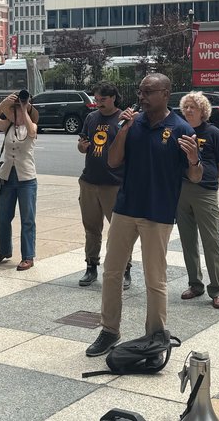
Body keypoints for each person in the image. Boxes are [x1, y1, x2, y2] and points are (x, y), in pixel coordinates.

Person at [86, 73, 201, 357]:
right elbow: (113, 160)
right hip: (125, 208)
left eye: (148, 92)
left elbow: (196, 177)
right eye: (140, 91)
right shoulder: (132, 123)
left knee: (155, 278)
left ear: (165, 94)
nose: (142, 97)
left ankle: (155, 335)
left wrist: (193, 159)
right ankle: (109, 330)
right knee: (112, 271)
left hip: (157, 213)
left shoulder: (181, 128)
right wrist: (124, 128)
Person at [175, 92, 219, 309]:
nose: (189, 110)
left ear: (203, 111)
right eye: (186, 107)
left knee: (211, 242)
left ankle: (217, 289)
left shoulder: (212, 133)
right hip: (182, 191)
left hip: (205, 192)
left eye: (194, 107)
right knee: (187, 241)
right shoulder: (180, 131)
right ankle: (195, 284)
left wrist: (211, 181)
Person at [76, 83, 129, 288]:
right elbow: (82, 144)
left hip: (114, 184)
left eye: (103, 100)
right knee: (91, 228)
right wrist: (81, 147)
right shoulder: (91, 118)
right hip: (89, 182)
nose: (98, 103)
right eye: (96, 99)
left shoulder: (123, 119)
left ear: (113, 97)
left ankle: (124, 269)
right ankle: (91, 266)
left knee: (119, 231)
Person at [0, 93, 39, 270]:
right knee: (3, 217)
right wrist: (4, 102)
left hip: (26, 178)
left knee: (27, 219)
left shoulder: (32, 126)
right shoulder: (8, 126)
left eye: (18, 110)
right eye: (14, 110)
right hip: (7, 177)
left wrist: (25, 108)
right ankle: (4, 251)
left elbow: (32, 132)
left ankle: (28, 256)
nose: (15, 113)